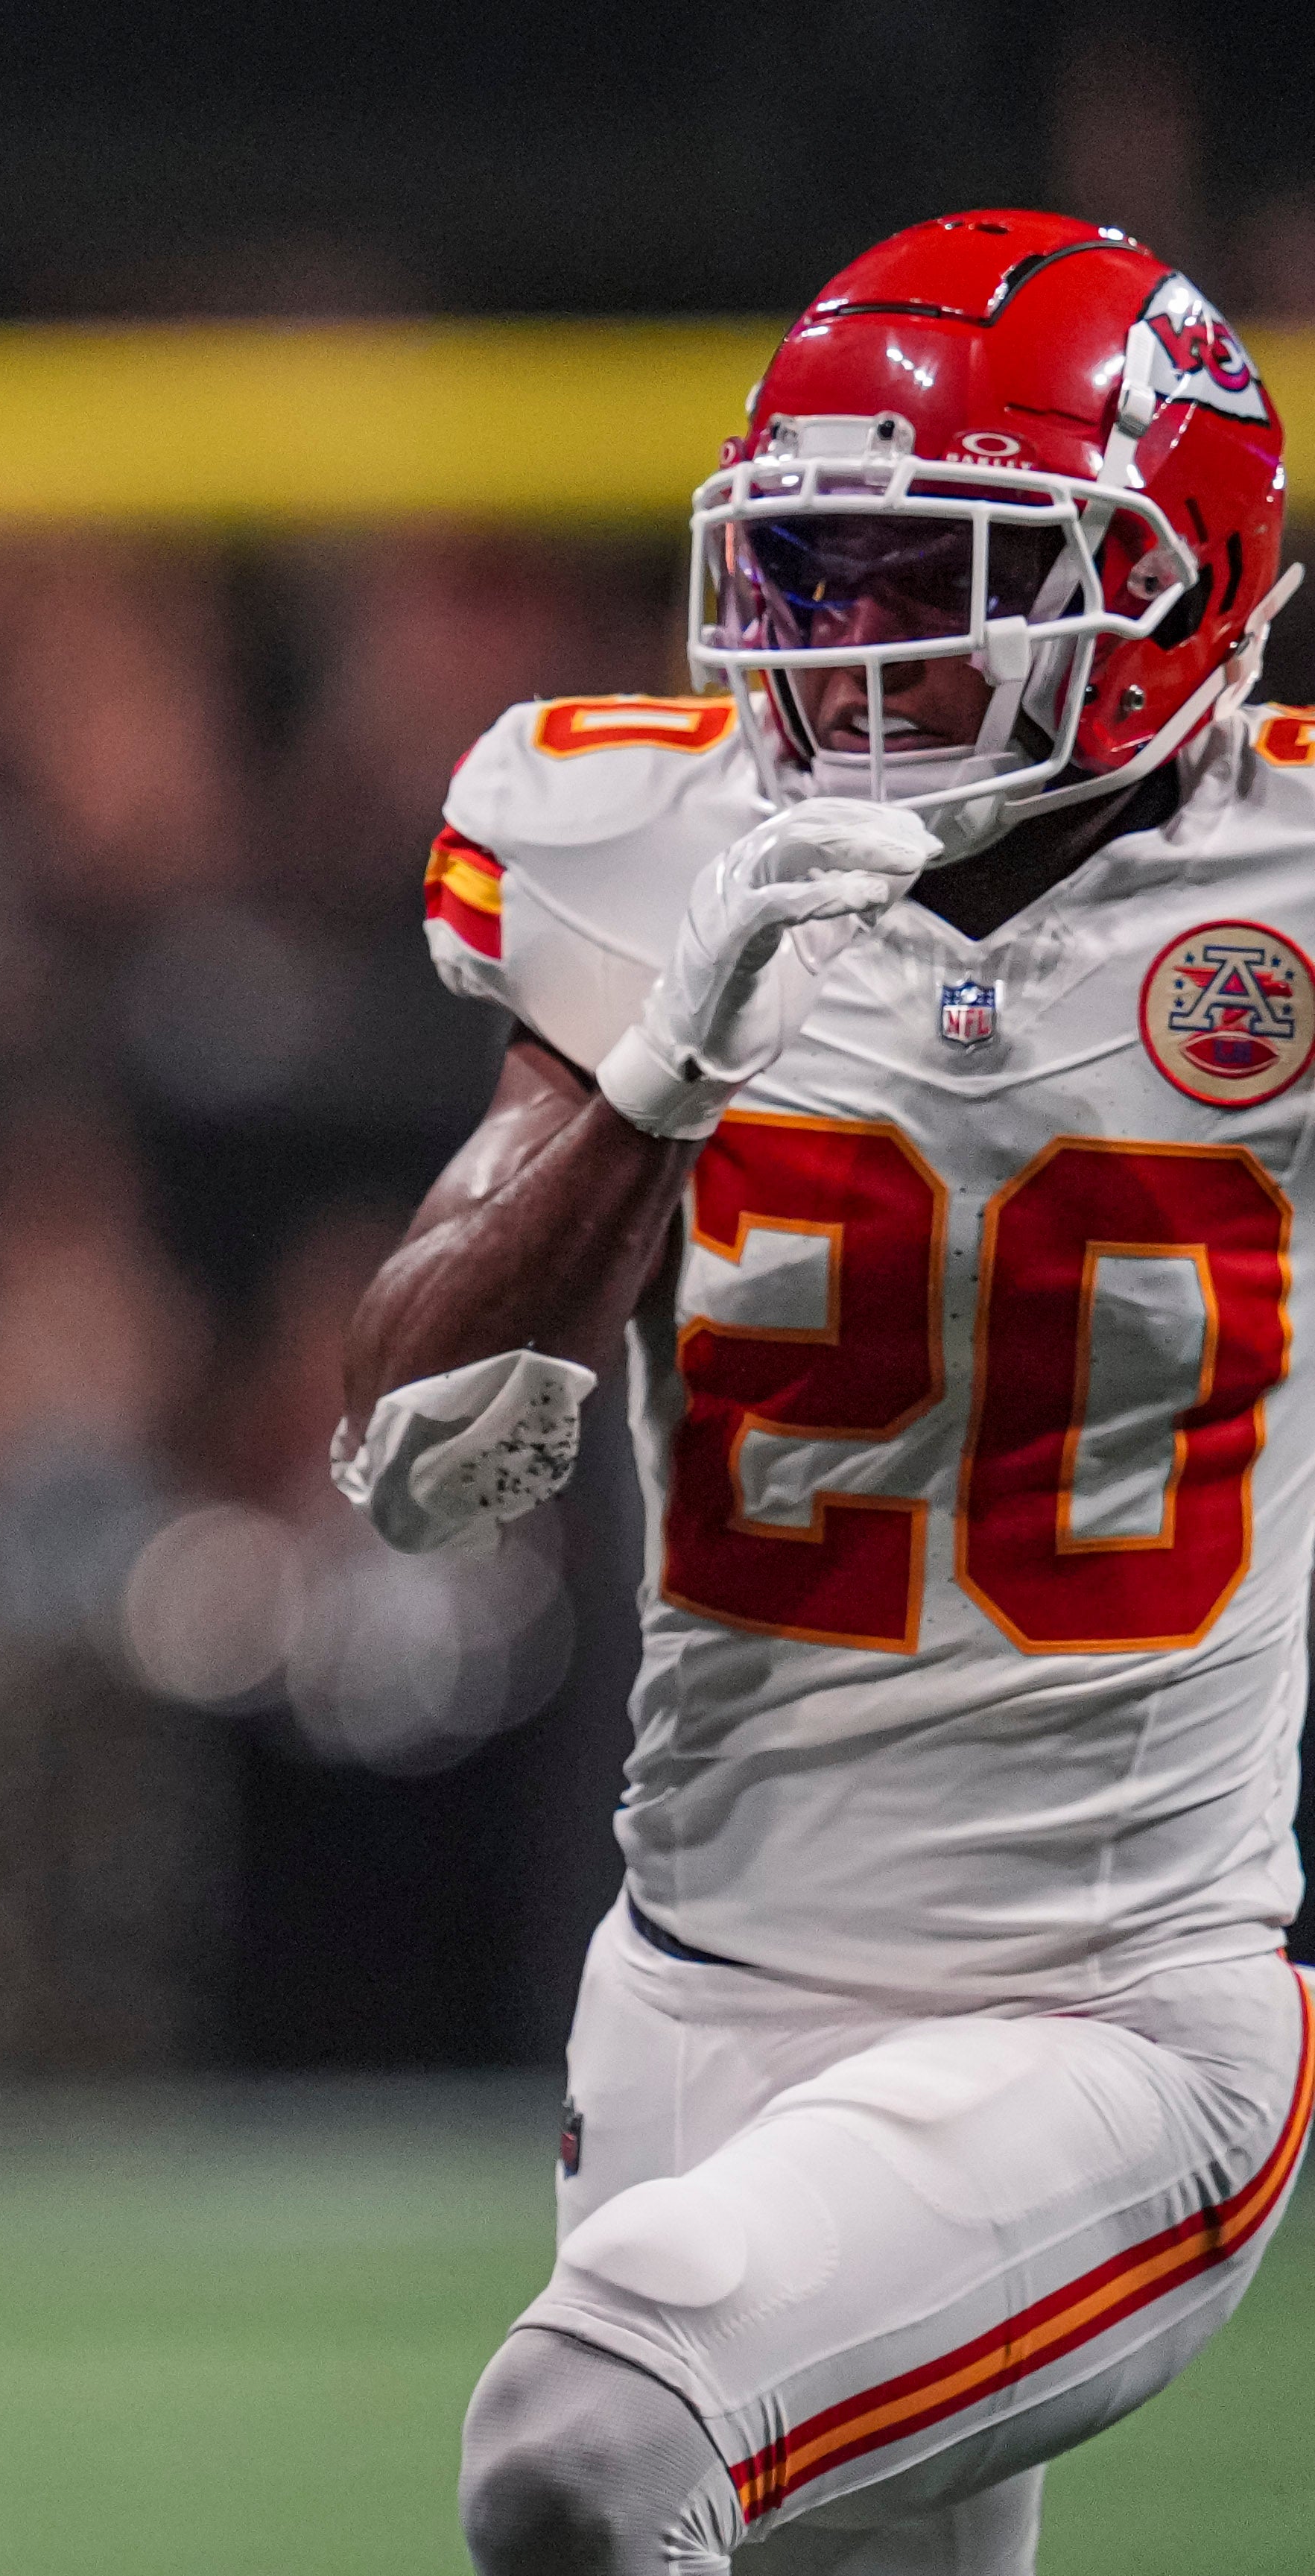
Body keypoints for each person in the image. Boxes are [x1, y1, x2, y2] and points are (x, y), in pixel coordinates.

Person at [340, 211, 1315, 2575]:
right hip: (685, 1995)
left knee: (580, 2444)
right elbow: (413, 1456)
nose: (851, 650)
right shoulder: (650, 835)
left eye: (929, 570)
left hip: (1105, 2019)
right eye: (812, 572)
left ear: (1172, 581)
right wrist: (663, 1064)